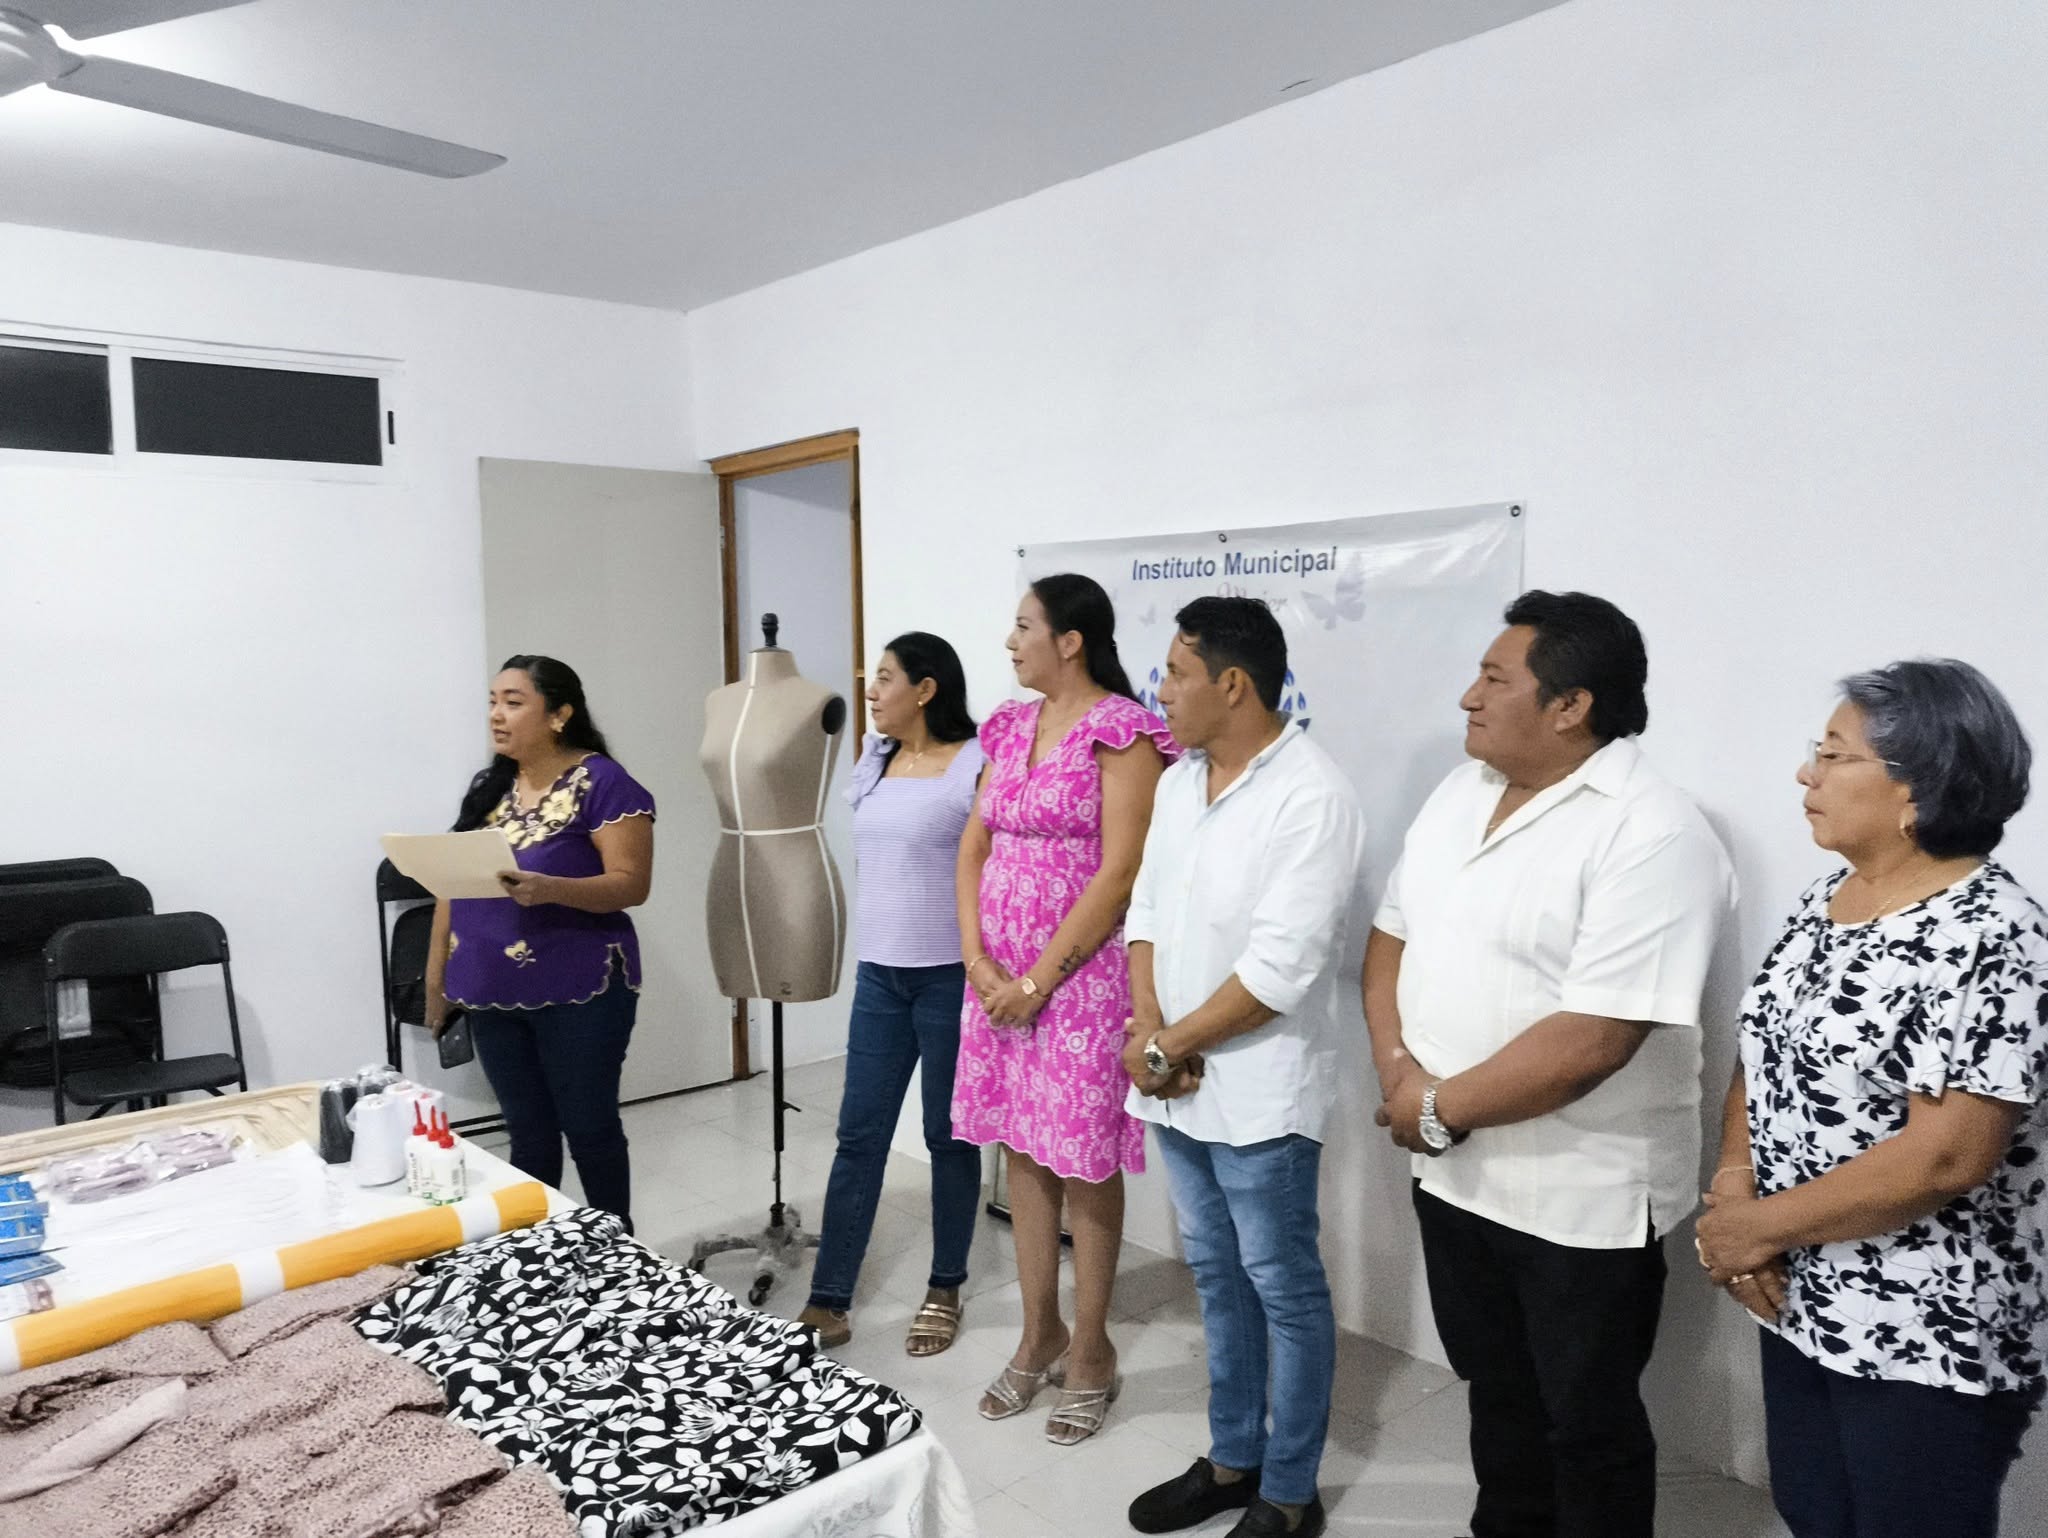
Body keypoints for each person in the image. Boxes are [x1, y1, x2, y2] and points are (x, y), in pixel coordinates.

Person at [1362, 591, 1733, 1538]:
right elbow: (1390, 938)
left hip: (1578, 1197)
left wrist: (1432, 1105)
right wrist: (1400, 1070)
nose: (1468, 698)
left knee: (1587, 1427)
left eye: (1495, 679)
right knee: (1497, 1396)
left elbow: (1593, 1041)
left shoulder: (1653, 830)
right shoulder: (1460, 793)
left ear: (1571, 706)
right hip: (1454, 1173)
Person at [1698, 659, 2047, 1538]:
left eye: (1833, 755)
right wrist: (1736, 1189)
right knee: (1815, 1512)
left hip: (1925, 1328)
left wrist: (1758, 1228)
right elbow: (1764, 1050)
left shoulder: (1994, 938)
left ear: (1918, 791)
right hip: (1802, 1294)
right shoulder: (1832, 897)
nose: (1804, 774)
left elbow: (1946, 1156)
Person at [1120, 598, 1365, 1538]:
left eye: (1176, 674)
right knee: (1216, 1277)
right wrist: (1152, 1030)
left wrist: (1167, 1047)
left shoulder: (1312, 795)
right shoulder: (1181, 781)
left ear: (1232, 684)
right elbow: (1146, 913)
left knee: (1283, 1287)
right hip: (1176, 1083)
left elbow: (1279, 971)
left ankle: (1289, 1493)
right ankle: (1232, 1460)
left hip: (1260, 1091)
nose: (1162, 691)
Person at [954, 572, 1175, 1444]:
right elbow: (974, 847)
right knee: (1021, 1147)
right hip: (996, 981)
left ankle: (1091, 1349)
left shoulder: (1123, 732)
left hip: (1079, 984)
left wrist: (1037, 981)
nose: (1010, 643)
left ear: (1070, 640)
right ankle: (1037, 1331)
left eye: (1023, 627)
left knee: (1082, 1160)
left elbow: (1122, 873)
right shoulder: (1009, 726)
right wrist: (978, 961)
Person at [798, 633, 986, 1357]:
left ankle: (946, 1285)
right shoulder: (874, 758)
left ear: (926, 689)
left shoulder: (974, 763)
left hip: (950, 976)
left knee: (947, 1136)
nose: (871, 692)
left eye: (884, 679)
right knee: (859, 1136)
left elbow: (990, 868)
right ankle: (829, 1297)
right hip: (879, 975)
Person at [426, 654, 655, 1226]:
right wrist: (436, 981)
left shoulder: (602, 782)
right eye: (492, 702)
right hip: (491, 991)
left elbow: (632, 884)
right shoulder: (490, 788)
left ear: (559, 715)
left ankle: (614, 1253)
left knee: (590, 1129)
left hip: (580, 989)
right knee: (528, 1136)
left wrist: (551, 889)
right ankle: (537, 1255)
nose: (496, 715)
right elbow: (451, 886)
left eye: (513, 702)